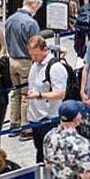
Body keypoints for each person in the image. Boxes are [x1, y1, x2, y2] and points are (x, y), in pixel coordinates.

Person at [6, 0, 42, 138]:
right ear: (34, 5)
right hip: (25, 63)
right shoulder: (31, 23)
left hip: (12, 60)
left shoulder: (10, 19)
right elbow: (37, 45)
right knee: (26, 95)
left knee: (15, 94)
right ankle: (25, 128)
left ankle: (14, 124)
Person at [25, 35, 65, 163]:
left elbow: (60, 93)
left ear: (45, 50)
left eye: (36, 55)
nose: (33, 58)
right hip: (35, 116)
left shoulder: (55, 68)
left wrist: (40, 95)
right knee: (39, 149)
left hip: (49, 118)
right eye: (31, 55)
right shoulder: (35, 64)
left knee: (49, 153)